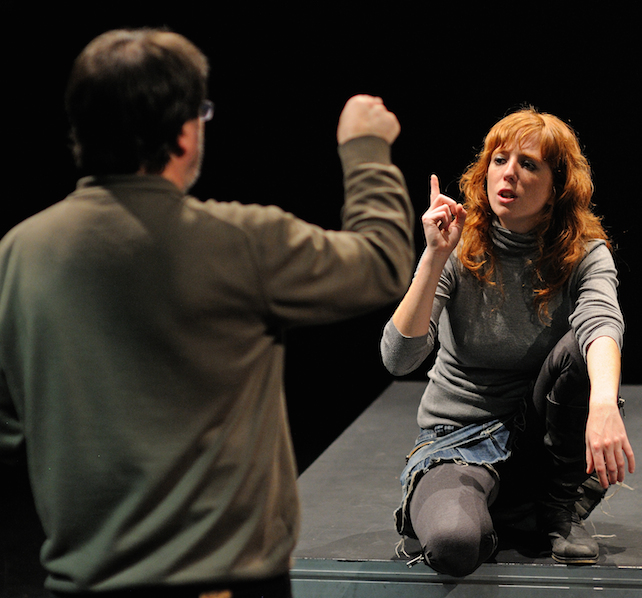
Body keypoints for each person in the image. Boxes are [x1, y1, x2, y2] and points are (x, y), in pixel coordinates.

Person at [0, 29, 414, 597]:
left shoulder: (20, 253)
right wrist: (365, 150)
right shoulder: (237, 240)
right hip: (220, 584)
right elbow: (381, 261)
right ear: (183, 131)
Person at [381, 108, 634, 576]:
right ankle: (511, 512)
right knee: (454, 545)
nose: (509, 173)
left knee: (582, 349)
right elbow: (399, 358)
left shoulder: (584, 253)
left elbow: (602, 321)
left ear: (557, 187)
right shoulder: (459, 246)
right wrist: (433, 257)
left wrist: (603, 404)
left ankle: (558, 505)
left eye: (528, 164)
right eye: (500, 160)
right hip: (461, 438)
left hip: (542, 440)